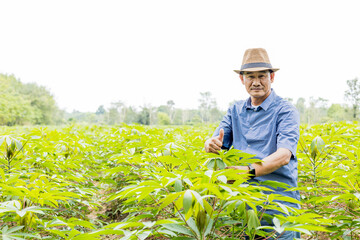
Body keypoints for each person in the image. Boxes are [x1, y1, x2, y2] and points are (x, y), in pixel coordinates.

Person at [204, 48, 301, 239]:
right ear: (242, 79)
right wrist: (210, 144)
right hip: (244, 205)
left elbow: (283, 155)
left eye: (261, 76)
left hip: (278, 204)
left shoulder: (285, 111)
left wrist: (248, 170)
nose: (256, 82)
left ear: (271, 77)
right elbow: (217, 142)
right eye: (250, 76)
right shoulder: (235, 110)